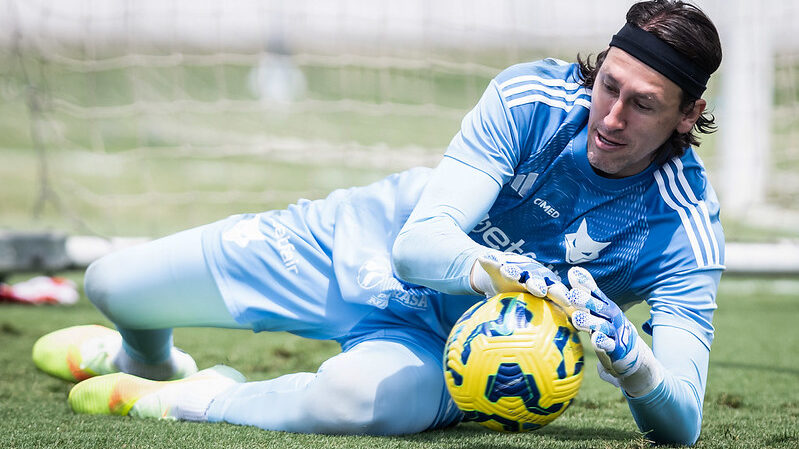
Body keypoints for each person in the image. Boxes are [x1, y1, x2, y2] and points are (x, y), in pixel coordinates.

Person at [32, 0, 723, 445]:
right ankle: (148, 361)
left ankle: (204, 396)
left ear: (687, 114)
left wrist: (635, 365)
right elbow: (417, 247)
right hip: (356, 243)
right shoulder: (530, 98)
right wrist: (497, 270)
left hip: (447, 349)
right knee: (112, 283)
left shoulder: (683, 229)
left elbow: (683, 419)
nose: (610, 118)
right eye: (608, 86)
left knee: (354, 401)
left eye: (642, 104)